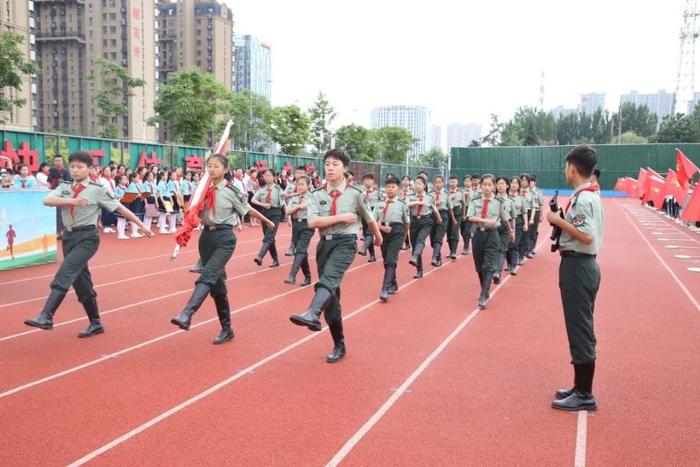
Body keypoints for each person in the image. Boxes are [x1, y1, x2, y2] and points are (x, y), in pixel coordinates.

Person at [24, 151, 153, 338]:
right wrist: (72, 200)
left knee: (66, 270)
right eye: (73, 167)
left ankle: (47, 315)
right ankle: (95, 323)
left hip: (87, 238)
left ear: (89, 169)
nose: (75, 170)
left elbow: (120, 207)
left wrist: (142, 226)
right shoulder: (65, 187)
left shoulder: (97, 189)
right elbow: (47, 200)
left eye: (79, 167)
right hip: (69, 238)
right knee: (81, 281)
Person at [289, 149, 381, 364]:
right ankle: (339, 343)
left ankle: (312, 312)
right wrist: (342, 217)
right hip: (324, 245)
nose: (330, 167)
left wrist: (377, 237)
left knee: (327, 280)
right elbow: (313, 222)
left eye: (335, 164)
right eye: (327, 164)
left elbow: (368, 219)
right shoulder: (317, 194)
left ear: (345, 168)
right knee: (331, 298)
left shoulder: (355, 194)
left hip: (346, 243)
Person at [170, 154, 274, 345]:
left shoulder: (231, 191)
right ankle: (227, 329)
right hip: (206, 238)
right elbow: (194, 211)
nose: (211, 169)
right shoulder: (203, 190)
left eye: (216, 166)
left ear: (225, 170)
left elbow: (247, 209)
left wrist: (266, 220)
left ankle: (187, 313)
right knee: (217, 287)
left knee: (208, 275)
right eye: (209, 166)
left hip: (225, 238)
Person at [546, 144, 603, 412]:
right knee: (579, 326)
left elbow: (586, 235)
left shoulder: (585, 197)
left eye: (566, 166)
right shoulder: (587, 194)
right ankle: (579, 386)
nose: (565, 170)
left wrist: (556, 220)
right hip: (579, 265)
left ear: (572, 168)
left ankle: (584, 394)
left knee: (580, 328)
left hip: (579, 267)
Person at [466, 174, 509, 310]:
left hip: (492, 235)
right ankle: (484, 288)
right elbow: (470, 217)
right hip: (479, 234)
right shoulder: (475, 200)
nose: (487, 187)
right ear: (481, 186)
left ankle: (484, 295)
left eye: (490, 184)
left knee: (489, 266)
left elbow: (505, 219)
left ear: (494, 186)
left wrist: (511, 232)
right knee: (479, 266)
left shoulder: (499, 202)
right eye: (484, 184)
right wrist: (485, 221)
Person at [374, 176, 409, 302]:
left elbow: (406, 223)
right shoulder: (379, 204)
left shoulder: (402, 204)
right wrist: (381, 230)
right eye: (388, 187)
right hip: (383, 233)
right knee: (386, 260)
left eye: (393, 187)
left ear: (398, 189)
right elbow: (372, 222)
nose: (390, 189)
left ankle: (385, 289)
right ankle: (393, 283)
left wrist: (404, 238)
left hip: (396, 232)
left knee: (390, 260)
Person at [284, 175, 314, 286]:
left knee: (299, 251)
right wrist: (298, 207)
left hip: (307, 225)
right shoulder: (295, 198)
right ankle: (308, 276)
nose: (300, 186)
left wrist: (303, 206)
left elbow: (312, 208)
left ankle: (292, 275)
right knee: (302, 252)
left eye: (302, 184)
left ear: (308, 185)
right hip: (296, 225)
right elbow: (288, 211)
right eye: (298, 184)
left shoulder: (312, 197)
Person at [407, 176, 439, 278]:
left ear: (424, 185)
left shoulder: (429, 197)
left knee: (420, 240)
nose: (417, 185)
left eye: (419, 184)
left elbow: (434, 210)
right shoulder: (410, 196)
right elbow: (406, 204)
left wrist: (439, 219)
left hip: (426, 221)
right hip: (414, 221)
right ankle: (419, 270)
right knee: (414, 244)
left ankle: (415, 256)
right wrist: (417, 202)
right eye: (415, 183)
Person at [251, 169, 284, 267]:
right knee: (270, 238)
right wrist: (263, 204)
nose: (267, 177)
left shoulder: (278, 190)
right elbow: (253, 200)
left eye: (269, 176)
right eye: (265, 176)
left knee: (269, 236)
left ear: (274, 177)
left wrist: (289, 217)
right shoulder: (261, 189)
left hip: (275, 213)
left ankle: (260, 256)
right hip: (264, 213)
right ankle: (275, 259)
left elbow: (283, 204)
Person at [493, 177, 516, 283]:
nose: (500, 186)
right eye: (498, 184)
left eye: (503, 184)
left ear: (507, 185)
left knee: (502, 250)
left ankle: (497, 272)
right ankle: (492, 269)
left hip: (506, 228)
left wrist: (513, 231)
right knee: (493, 249)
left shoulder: (511, 201)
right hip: (493, 227)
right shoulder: (492, 199)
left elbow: (513, 218)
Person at [429, 175, 456, 266]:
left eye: (440, 182)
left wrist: (453, 219)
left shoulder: (446, 194)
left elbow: (450, 208)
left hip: (443, 215)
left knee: (438, 238)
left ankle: (434, 257)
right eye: (436, 182)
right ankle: (438, 256)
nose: (438, 184)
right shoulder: (430, 194)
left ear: (443, 183)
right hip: (432, 216)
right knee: (432, 240)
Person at [358, 173, 381, 262]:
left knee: (369, 232)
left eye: (368, 180)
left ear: (373, 181)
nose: (366, 182)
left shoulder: (378, 191)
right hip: (364, 212)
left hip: (374, 212)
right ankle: (372, 255)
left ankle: (364, 248)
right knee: (366, 233)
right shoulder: (361, 192)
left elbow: (382, 203)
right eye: (365, 180)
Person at [506, 176, 526, 275]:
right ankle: (509, 263)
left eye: (516, 183)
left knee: (514, 244)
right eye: (512, 182)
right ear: (509, 184)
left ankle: (513, 266)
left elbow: (524, 212)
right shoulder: (504, 197)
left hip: (517, 222)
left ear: (519, 186)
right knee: (506, 244)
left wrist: (526, 223)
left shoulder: (521, 198)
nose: (514, 185)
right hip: (506, 220)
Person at [446, 175, 464, 259]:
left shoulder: (460, 193)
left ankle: (453, 252)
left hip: (457, 213)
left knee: (454, 232)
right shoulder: (445, 193)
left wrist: (463, 215)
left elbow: (463, 204)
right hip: (447, 213)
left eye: (454, 181)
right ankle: (451, 251)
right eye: (451, 181)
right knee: (449, 233)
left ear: (457, 182)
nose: (452, 183)